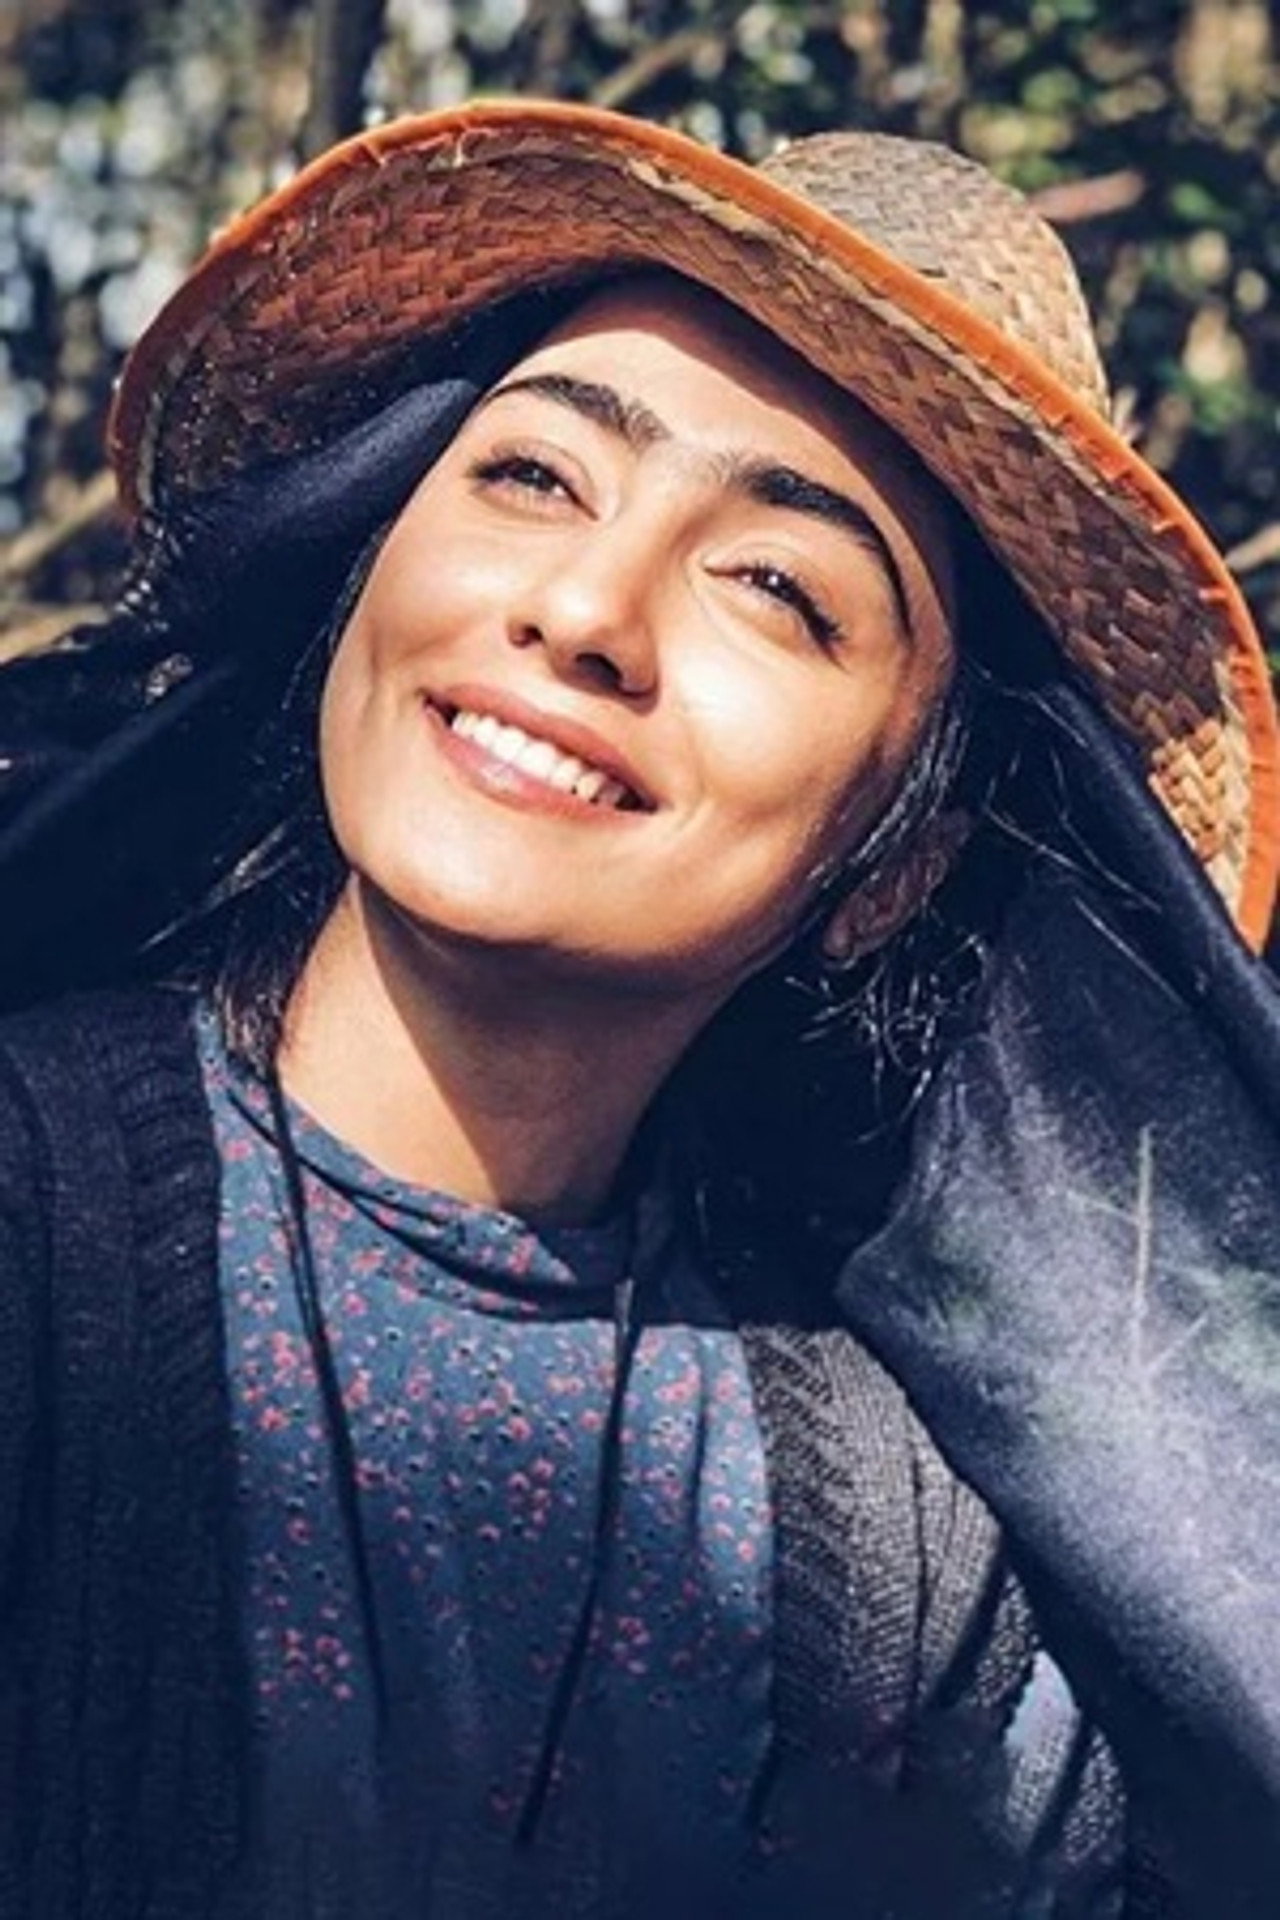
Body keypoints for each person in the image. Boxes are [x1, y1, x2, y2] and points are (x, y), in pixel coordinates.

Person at [1, 98, 1278, 1920]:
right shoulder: (36, 1241)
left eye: (775, 587)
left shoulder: (906, 1566)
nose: (588, 606)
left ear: (897, 863)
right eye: (534, 477)